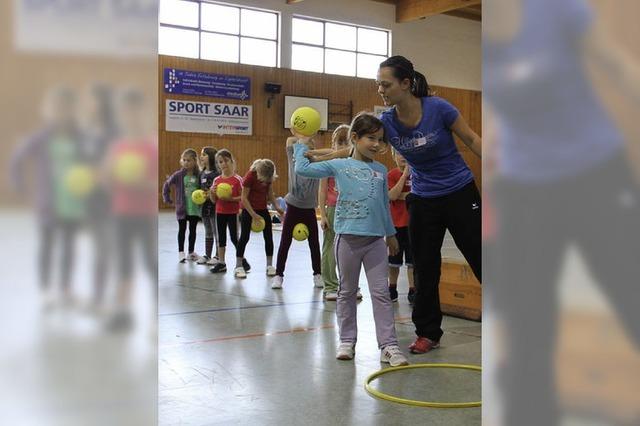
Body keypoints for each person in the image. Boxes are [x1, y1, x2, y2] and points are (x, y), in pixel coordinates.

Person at [376, 55, 482, 354]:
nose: (380, 90)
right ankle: (428, 332)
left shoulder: (439, 109)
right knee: (424, 267)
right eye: (378, 85)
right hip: (423, 198)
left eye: (385, 84)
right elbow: (358, 144)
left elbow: (473, 140)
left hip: (460, 191)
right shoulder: (386, 121)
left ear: (406, 83)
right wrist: (319, 156)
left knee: (481, 257)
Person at [294, 111, 408, 366]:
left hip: (375, 242)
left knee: (380, 293)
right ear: (355, 138)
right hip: (347, 240)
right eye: (371, 138)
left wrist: (390, 234)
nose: (377, 144)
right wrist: (302, 143)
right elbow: (303, 168)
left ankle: (388, 345)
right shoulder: (339, 165)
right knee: (346, 291)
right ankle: (347, 340)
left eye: (381, 140)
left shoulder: (380, 169)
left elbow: (383, 205)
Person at [271, 131, 322, 290]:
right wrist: (303, 139)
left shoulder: (317, 163)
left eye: (310, 146)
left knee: (314, 243)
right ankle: (279, 275)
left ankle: (317, 275)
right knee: (285, 242)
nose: (306, 147)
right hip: (293, 206)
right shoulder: (293, 161)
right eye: (303, 146)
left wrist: (309, 145)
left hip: (309, 209)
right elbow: (289, 140)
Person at [235, 159, 285, 278]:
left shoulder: (268, 177)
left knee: (268, 236)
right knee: (244, 237)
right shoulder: (250, 176)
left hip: (262, 209)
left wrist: (277, 207)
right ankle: (238, 266)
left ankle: (269, 265)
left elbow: (270, 194)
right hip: (249, 209)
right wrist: (253, 215)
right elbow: (244, 198)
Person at [162, 148, 201, 263]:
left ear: (195, 161)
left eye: (188, 160)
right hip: (182, 209)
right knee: (182, 230)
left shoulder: (198, 175)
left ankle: (191, 252)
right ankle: (181, 252)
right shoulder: (178, 175)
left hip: (194, 209)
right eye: (184, 160)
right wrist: (167, 198)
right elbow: (167, 184)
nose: (186, 163)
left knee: (193, 230)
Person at [387, 149, 416, 304]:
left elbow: (417, 195)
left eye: (405, 153)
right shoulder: (391, 175)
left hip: (412, 225)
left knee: (412, 261)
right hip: (396, 226)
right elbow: (392, 195)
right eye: (399, 153)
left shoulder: (417, 174)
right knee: (394, 261)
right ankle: (392, 288)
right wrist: (405, 175)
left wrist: (402, 196)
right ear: (393, 156)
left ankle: (412, 290)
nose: (403, 156)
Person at [208, 149, 243, 274]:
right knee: (221, 238)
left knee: (234, 238)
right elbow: (213, 200)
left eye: (226, 161)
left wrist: (231, 199)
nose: (224, 164)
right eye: (221, 162)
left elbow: (243, 197)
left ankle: (241, 260)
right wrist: (212, 192)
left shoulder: (237, 180)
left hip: (233, 213)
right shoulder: (217, 180)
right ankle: (222, 263)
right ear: (218, 164)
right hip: (220, 212)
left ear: (231, 161)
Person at [196, 146, 220, 266]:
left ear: (211, 157)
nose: (201, 157)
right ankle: (207, 254)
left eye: (204, 154)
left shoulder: (217, 174)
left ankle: (218, 255)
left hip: (215, 206)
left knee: (216, 232)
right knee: (208, 231)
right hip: (204, 207)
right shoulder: (201, 173)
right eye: (201, 154)